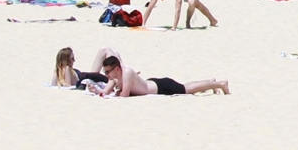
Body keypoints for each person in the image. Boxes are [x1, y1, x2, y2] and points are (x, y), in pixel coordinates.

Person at [95, 53, 228, 97]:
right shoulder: (116, 78)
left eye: (107, 71)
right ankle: (210, 82)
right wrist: (97, 90)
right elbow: (108, 92)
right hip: (153, 84)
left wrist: (117, 93)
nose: (106, 75)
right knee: (185, 87)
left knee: (187, 90)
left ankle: (219, 84)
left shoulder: (127, 73)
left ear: (116, 69)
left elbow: (123, 95)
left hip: (160, 87)